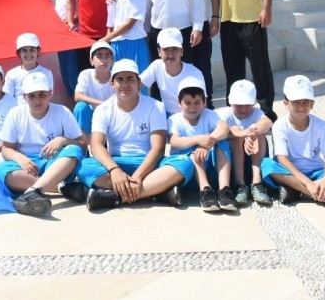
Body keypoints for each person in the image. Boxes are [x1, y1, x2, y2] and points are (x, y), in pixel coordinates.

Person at [76, 59, 192, 210]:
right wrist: (115, 170)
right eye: (120, 79)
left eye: (130, 79)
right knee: (83, 166)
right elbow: (96, 145)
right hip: (116, 163)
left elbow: (158, 148)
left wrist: (138, 176)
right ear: (112, 84)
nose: (125, 84)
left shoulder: (155, 106)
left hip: (148, 164)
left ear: (139, 82)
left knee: (184, 163)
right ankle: (155, 193)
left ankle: (113, 198)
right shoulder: (103, 109)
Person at [0, 72, 86, 216]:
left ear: (50, 93)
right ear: (24, 97)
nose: (37, 100)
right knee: (1, 172)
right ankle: (61, 187)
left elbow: (82, 143)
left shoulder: (62, 111)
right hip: (28, 163)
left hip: (54, 161)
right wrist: (21, 159)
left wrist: (62, 140)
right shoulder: (16, 114)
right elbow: (6, 148)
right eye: (32, 96)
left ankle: (33, 192)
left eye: (42, 94)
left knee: (74, 150)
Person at [261, 75, 325, 206]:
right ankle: (324, 194)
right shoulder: (280, 125)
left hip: (316, 173)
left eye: (306, 102)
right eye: (296, 102)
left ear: (312, 104)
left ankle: (297, 192)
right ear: (286, 103)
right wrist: (308, 184)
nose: (301, 107)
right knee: (267, 165)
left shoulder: (321, 125)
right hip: (290, 173)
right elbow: (282, 159)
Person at [168, 77, 236, 213]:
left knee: (222, 142)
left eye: (197, 102)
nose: (192, 107)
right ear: (179, 103)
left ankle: (224, 190)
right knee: (193, 152)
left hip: (212, 171)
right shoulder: (174, 120)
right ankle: (205, 192)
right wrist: (198, 139)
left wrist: (206, 143)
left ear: (204, 102)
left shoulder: (209, 114)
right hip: (190, 175)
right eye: (187, 103)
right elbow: (175, 141)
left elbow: (223, 129)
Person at [215, 79, 273, 207]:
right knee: (235, 131)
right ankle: (240, 184)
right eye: (238, 104)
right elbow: (222, 131)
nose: (243, 108)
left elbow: (267, 123)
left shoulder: (257, 112)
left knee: (259, 134)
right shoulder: (224, 114)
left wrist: (251, 135)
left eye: (247, 104)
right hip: (231, 163)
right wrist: (243, 134)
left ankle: (257, 183)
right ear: (231, 102)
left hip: (253, 157)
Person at [138, 27, 206, 117]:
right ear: (159, 52)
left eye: (174, 49)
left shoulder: (195, 73)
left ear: (181, 51)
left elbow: (203, 106)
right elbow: (136, 86)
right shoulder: (156, 66)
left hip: (190, 117)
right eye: (166, 49)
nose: (170, 54)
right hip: (166, 116)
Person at [103, 0, 150, 73]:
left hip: (136, 44)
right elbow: (110, 26)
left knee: (139, 78)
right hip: (116, 46)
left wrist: (104, 40)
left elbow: (128, 26)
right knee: (118, 78)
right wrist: (106, 45)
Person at [47, 0, 80, 92]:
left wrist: (69, 23)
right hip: (63, 43)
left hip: (73, 40)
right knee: (66, 74)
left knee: (74, 74)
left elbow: (79, 14)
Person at [73, 41, 115, 140]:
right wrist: (101, 103)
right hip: (92, 116)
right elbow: (77, 96)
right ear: (91, 61)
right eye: (99, 56)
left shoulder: (117, 77)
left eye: (107, 56)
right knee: (80, 107)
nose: (103, 60)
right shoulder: (85, 74)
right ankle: (82, 142)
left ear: (112, 61)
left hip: (112, 115)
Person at [3, 33, 54, 102]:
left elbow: (47, 97)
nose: (28, 54)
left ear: (38, 52)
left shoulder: (46, 73)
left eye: (32, 50)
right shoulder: (11, 74)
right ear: (19, 53)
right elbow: (7, 98)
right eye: (24, 50)